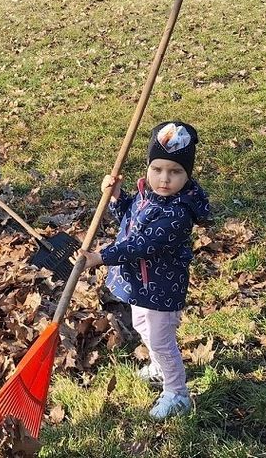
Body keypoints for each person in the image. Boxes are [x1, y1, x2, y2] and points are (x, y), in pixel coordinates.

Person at [81, 121, 212, 420]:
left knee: (161, 340)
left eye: (175, 172)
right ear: (148, 167)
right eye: (157, 169)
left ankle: (177, 393)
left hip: (161, 287)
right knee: (143, 326)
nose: (164, 179)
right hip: (142, 284)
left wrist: (101, 257)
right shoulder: (146, 194)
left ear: (187, 175)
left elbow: (142, 244)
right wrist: (117, 197)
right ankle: (159, 367)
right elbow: (130, 218)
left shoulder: (178, 213)